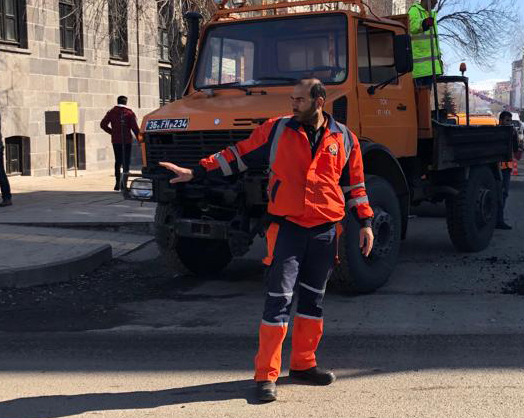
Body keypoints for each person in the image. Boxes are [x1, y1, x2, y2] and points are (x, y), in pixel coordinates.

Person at [159, 79, 375, 402]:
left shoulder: (344, 139)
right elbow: (237, 155)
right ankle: (265, 376)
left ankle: (303, 365)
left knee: (313, 303)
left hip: (325, 232)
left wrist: (367, 223)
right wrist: (197, 172)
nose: (293, 104)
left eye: (299, 99)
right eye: (292, 98)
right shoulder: (276, 131)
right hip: (287, 229)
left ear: (319, 101)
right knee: (278, 302)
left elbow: (356, 186)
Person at [100, 95, 140, 191]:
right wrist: (140, 140)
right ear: (126, 102)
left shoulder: (112, 112)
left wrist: (112, 132)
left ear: (117, 101)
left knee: (118, 161)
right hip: (126, 141)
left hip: (116, 140)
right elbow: (135, 128)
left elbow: (103, 124)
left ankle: (117, 183)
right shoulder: (129, 113)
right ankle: (124, 184)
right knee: (126, 162)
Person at [408, 0, 443, 88]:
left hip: (430, 69)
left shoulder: (432, 14)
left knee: (426, 100)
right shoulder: (414, 11)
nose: (436, 2)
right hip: (419, 70)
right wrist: (424, 24)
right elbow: (413, 26)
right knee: (421, 100)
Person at [496, 110, 521, 230]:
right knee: (497, 194)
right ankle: (495, 219)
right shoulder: (495, 132)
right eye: (507, 120)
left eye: (510, 120)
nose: (509, 123)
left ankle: (499, 220)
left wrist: (519, 148)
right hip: (495, 168)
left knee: (504, 194)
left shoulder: (512, 132)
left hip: (506, 169)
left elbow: (516, 151)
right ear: (500, 121)